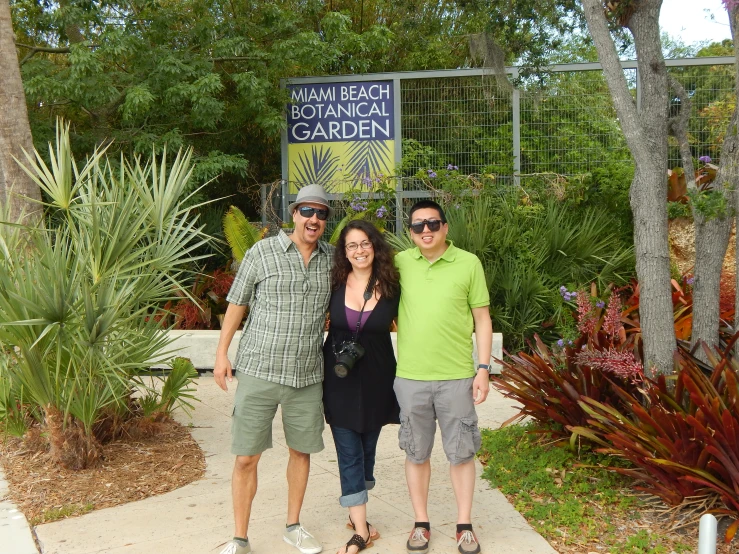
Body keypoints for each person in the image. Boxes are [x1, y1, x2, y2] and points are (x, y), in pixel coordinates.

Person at [213, 184, 335, 554]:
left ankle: (293, 526)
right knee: (246, 456)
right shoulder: (262, 251)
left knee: (301, 451)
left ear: (326, 221)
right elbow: (237, 303)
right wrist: (222, 353)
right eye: (307, 211)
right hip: (259, 370)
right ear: (294, 213)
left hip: (306, 375)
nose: (314, 219)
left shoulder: (332, 259)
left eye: (322, 214)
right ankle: (239, 538)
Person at [393, 199, 493, 554]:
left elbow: (482, 318)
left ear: (445, 227)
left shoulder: (468, 263)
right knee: (416, 453)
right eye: (418, 225)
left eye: (433, 223)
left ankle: (464, 525)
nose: (426, 231)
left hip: (457, 378)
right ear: (410, 232)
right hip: (411, 377)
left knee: (461, 453)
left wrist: (483, 368)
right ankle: (421, 523)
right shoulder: (401, 263)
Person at [322, 220, 400, 554]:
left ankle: (359, 509)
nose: (359, 250)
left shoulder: (394, 285)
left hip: (378, 376)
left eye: (364, 243)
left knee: (368, 445)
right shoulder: (334, 281)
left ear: (375, 245)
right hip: (339, 375)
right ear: (344, 252)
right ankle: (360, 530)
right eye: (351, 245)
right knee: (348, 448)